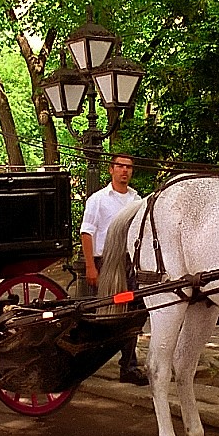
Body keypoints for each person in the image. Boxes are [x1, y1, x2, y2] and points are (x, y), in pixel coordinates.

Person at [81, 154, 148, 386]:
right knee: (107, 313)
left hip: (129, 263)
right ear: (111, 170)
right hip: (105, 262)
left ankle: (128, 365)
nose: (124, 171)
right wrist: (91, 266)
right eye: (120, 166)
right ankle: (92, 359)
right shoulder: (98, 199)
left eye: (128, 167)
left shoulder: (136, 199)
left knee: (132, 312)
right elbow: (87, 232)